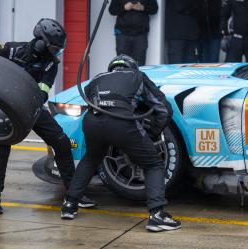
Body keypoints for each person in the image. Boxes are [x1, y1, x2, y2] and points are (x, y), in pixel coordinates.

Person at [0, 19, 95, 214]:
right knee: (2, 145)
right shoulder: (10, 49)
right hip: (6, 107)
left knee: (61, 142)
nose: (57, 52)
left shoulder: (51, 63)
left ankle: (73, 194)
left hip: (32, 106)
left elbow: (43, 92)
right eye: (54, 47)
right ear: (41, 42)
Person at [61, 54, 181, 232]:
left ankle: (69, 204)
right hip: (121, 122)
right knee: (153, 163)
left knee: (91, 159)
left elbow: (90, 98)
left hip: (92, 123)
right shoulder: (138, 76)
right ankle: (157, 215)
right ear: (132, 67)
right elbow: (164, 109)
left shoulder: (97, 78)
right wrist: (152, 133)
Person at [109, 0, 158, 66]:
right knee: (122, 64)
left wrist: (143, 8)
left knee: (139, 64)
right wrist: (124, 8)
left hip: (141, 34)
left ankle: (137, 76)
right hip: (122, 34)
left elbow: (154, 9)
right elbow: (112, 10)